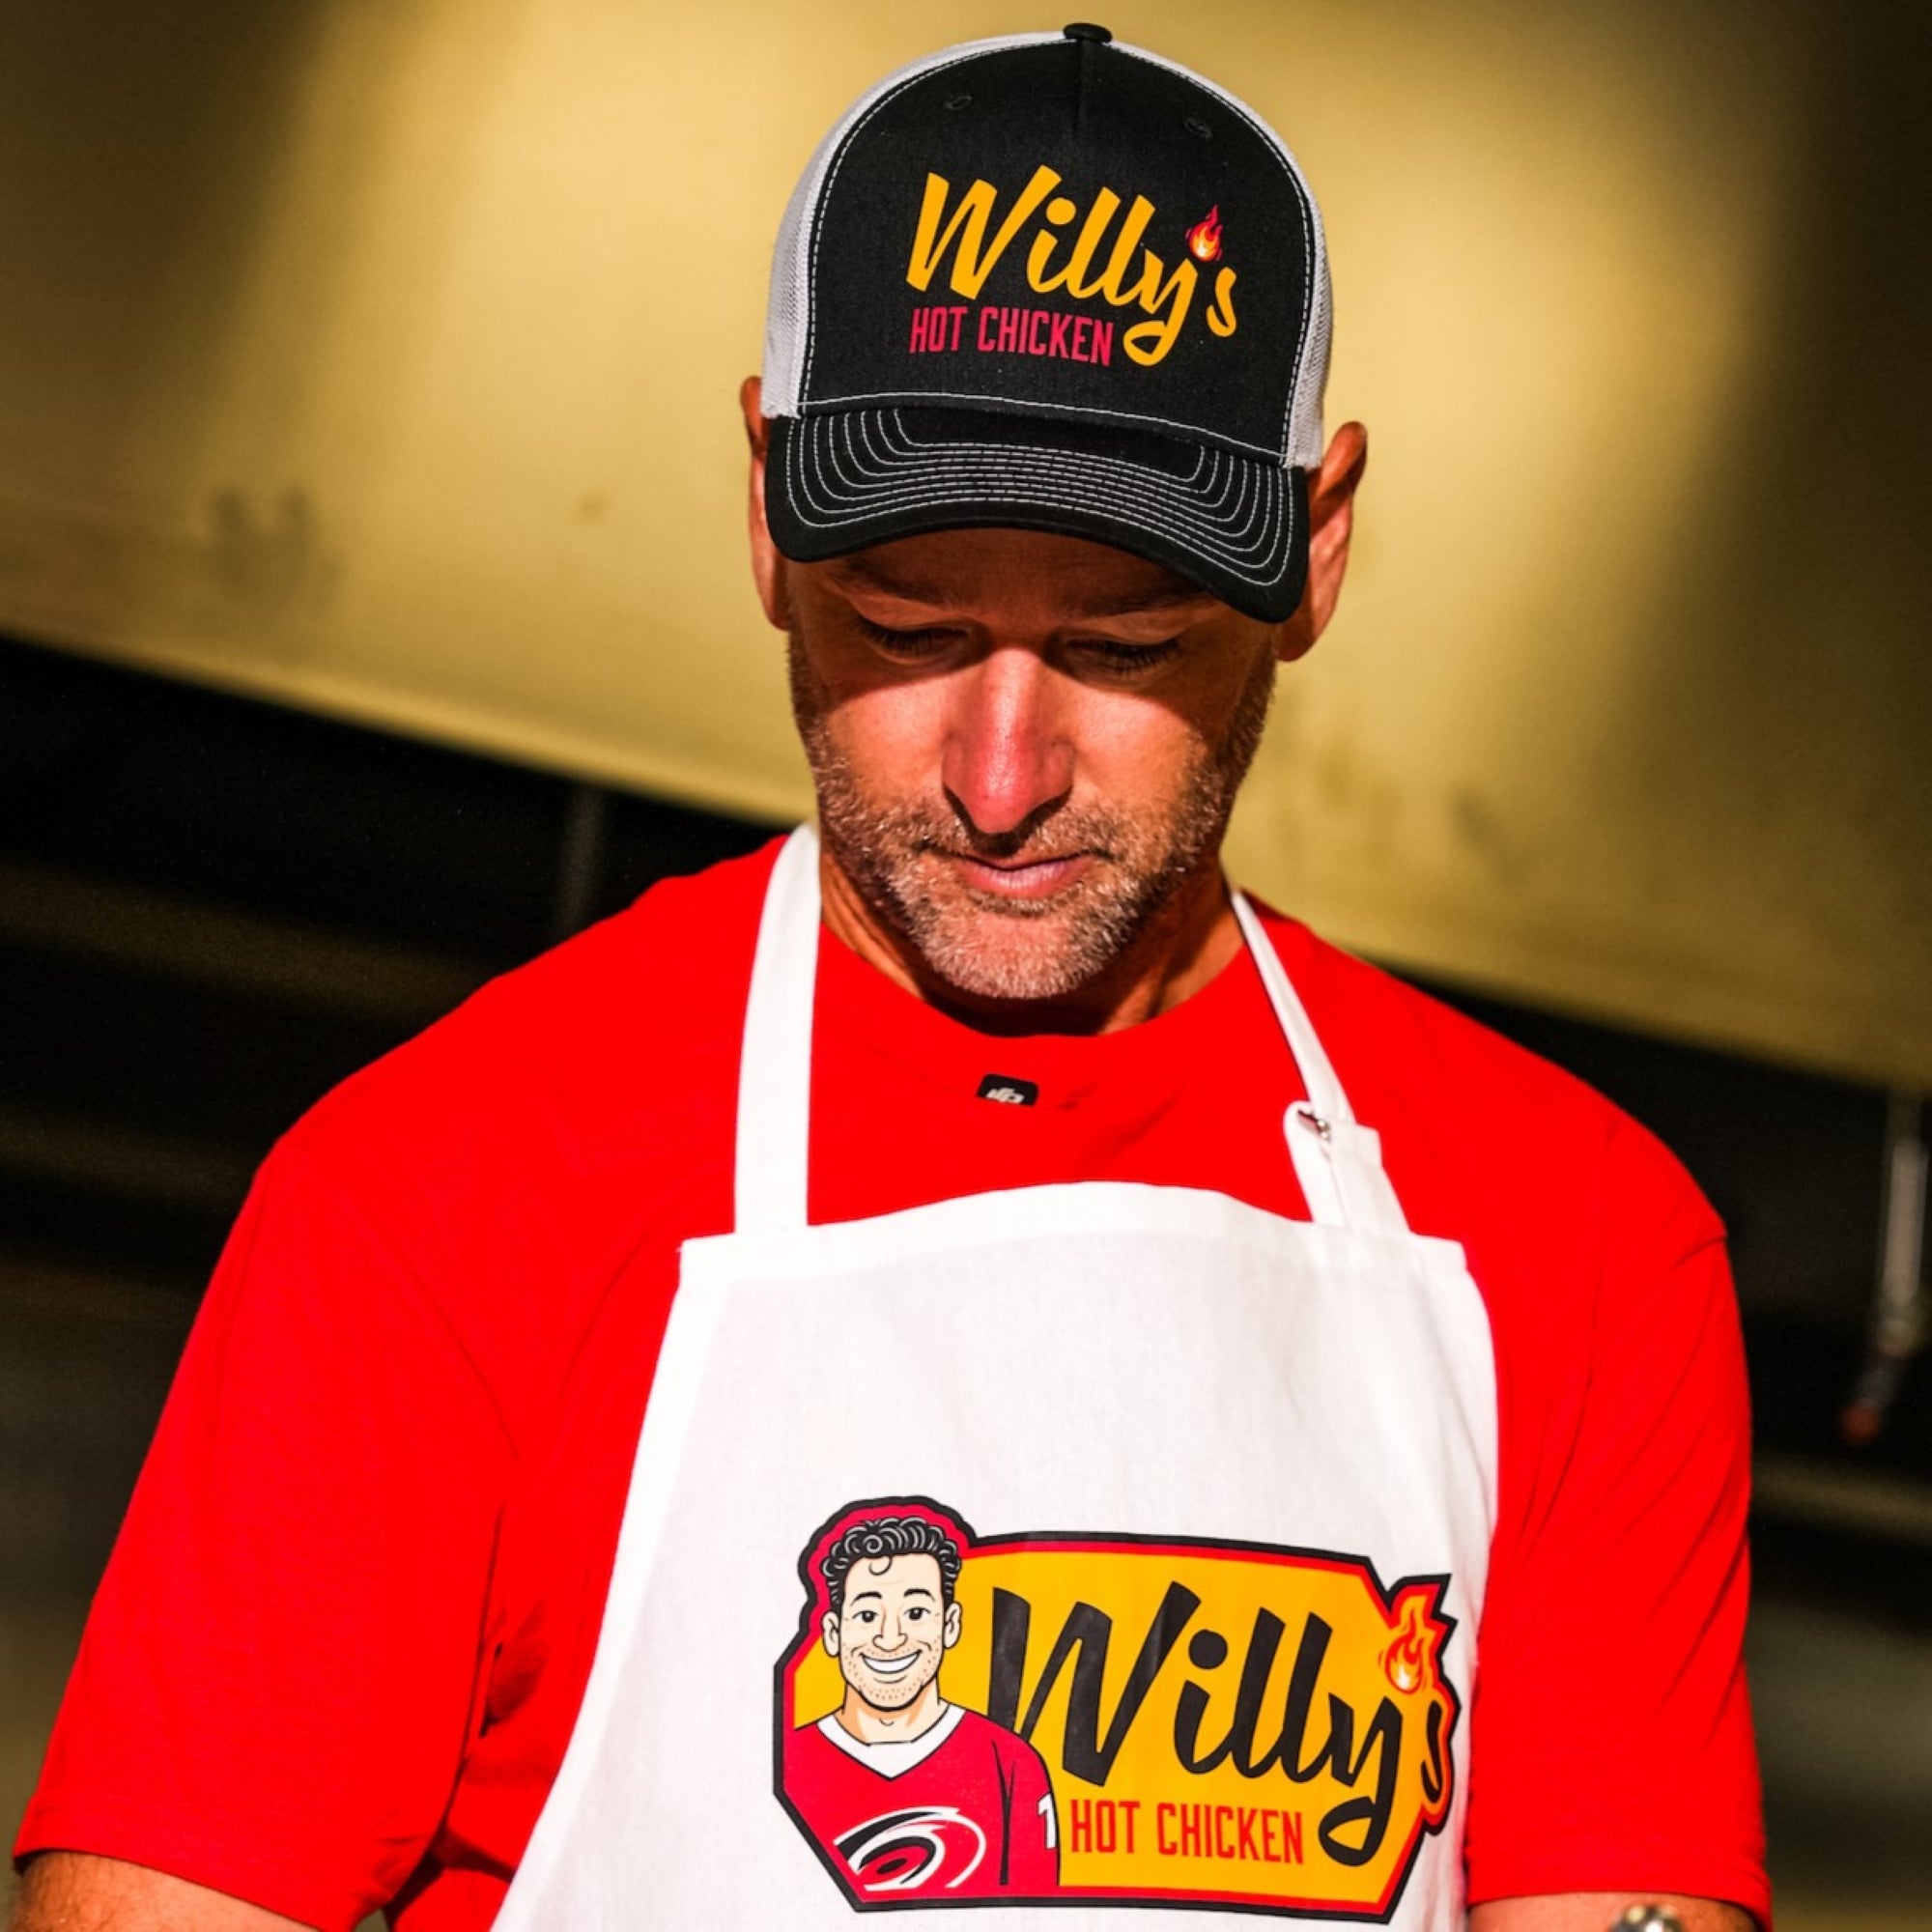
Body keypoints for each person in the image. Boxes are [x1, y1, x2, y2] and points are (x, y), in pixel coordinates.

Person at [11, 23, 1767, 1932]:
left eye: (1127, 645)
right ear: (768, 514)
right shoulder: (440, 1196)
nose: (998, 778)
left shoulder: (1580, 1246)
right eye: (905, 625)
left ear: (1315, 555)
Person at [778, 1505, 1059, 1900]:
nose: (890, 1637)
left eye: (915, 1612)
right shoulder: (784, 1762)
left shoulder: (1012, 1764)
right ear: (832, 1631)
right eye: (867, 1614)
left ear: (950, 1625)